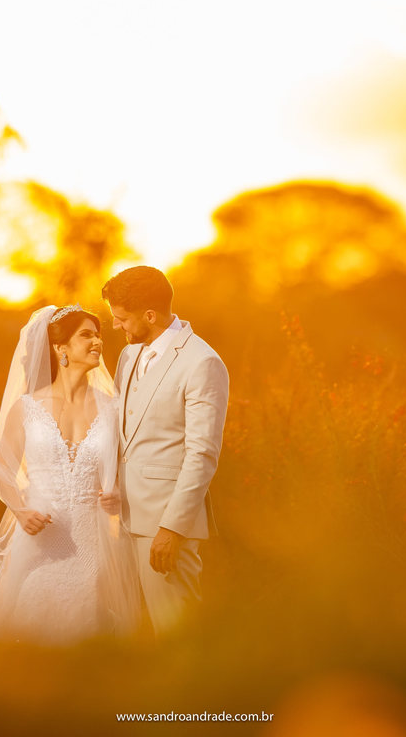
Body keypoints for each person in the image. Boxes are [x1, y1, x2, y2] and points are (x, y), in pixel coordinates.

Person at [0, 305, 141, 649]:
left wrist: (117, 492)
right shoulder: (28, 408)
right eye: (86, 335)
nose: (97, 342)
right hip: (40, 534)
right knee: (28, 618)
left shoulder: (113, 408)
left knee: (91, 623)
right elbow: (2, 467)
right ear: (60, 349)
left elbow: (129, 465)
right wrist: (19, 511)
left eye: (98, 334)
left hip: (95, 539)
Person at [103, 266, 230, 635]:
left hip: (164, 526)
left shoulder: (202, 363)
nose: (115, 326)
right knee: (130, 633)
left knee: (176, 633)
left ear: (150, 315)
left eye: (121, 318)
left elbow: (202, 454)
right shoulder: (129, 356)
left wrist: (171, 529)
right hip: (120, 521)